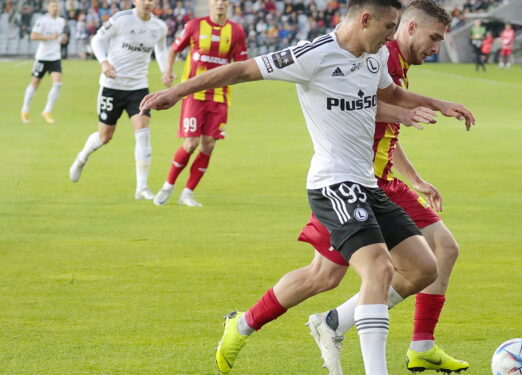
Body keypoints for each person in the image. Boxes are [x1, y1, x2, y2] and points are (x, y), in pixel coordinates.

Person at [138, 0, 476, 374]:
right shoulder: (314, 55)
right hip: (333, 183)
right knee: (376, 268)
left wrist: (437, 104)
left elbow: (389, 95)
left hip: (368, 184)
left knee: (422, 266)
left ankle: (260, 323)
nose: (390, 36)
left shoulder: (375, 56)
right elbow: (242, 70)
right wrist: (177, 92)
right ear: (366, 19)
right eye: (388, 26)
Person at [300, 1, 467, 373]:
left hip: (382, 179)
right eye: (434, 37)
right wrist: (422, 110)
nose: (437, 47)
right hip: (360, 181)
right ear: (408, 28)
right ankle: (325, 324)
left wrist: (416, 179)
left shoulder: (397, 63)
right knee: (327, 275)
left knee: (441, 251)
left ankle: (417, 343)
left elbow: (388, 132)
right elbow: (360, 108)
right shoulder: (382, 56)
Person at [68, 0, 169, 201]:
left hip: (138, 88)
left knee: (143, 132)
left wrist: (166, 70)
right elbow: (97, 40)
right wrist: (104, 62)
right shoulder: (121, 19)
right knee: (105, 136)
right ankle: (82, 157)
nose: (147, 3)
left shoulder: (159, 26)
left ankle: (142, 187)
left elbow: (161, 50)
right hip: (112, 86)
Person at [152, 0, 248, 207]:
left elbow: (242, 64)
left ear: (229, 5)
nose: (220, 4)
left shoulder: (237, 31)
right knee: (191, 143)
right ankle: (168, 185)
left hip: (220, 96)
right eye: (216, 0)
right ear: (210, 3)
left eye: (224, 1)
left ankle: (187, 193)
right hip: (194, 94)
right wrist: (167, 71)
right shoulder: (194, 26)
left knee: (209, 144)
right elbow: (174, 49)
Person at [21, 0, 66, 124]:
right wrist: (49, 37)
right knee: (35, 84)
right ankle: (25, 109)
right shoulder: (42, 20)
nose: (55, 8)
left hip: (55, 57)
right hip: (42, 57)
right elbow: (33, 36)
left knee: (58, 83)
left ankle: (47, 111)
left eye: (57, 6)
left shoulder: (61, 21)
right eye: (53, 6)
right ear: (48, 8)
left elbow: (58, 36)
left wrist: (62, 39)